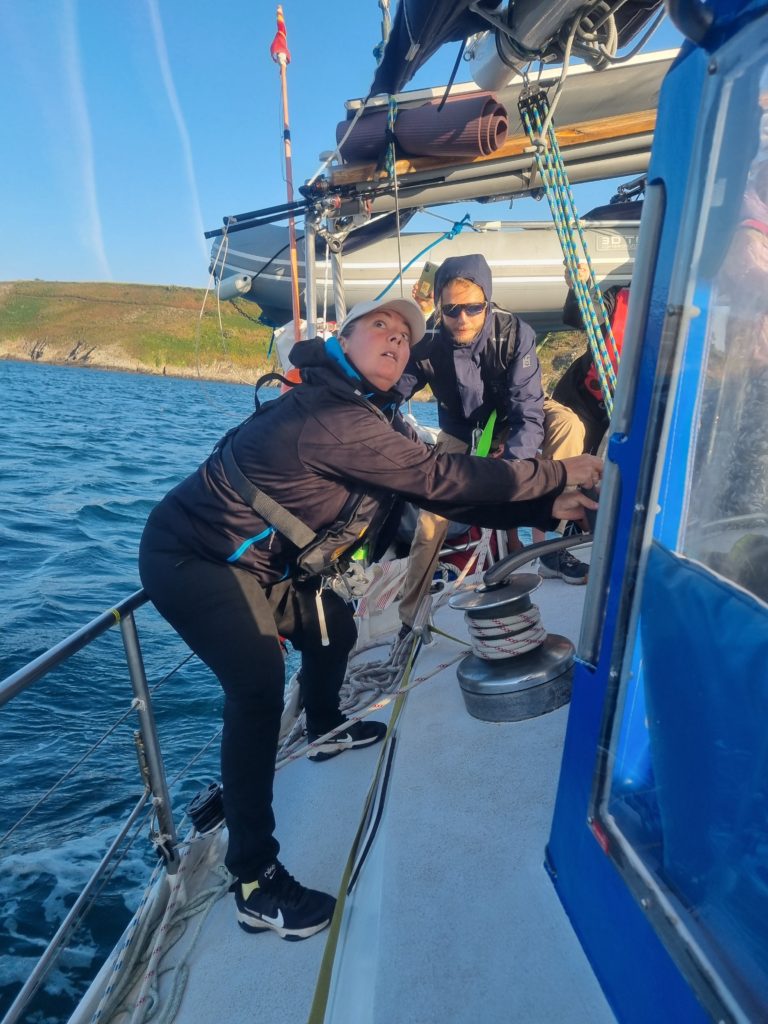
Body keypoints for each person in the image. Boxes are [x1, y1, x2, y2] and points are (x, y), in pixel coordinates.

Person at [139, 296, 601, 942]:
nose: (394, 340)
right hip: (190, 555)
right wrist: (556, 473)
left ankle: (325, 725)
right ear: (343, 340)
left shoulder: (371, 417)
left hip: (261, 565)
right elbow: (443, 476)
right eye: (378, 327)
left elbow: (433, 490)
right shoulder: (329, 415)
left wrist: (552, 507)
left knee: (335, 624)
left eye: (404, 337)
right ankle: (253, 882)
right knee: (257, 684)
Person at [395, 253, 590, 635]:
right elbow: (393, 394)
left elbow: (529, 413)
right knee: (432, 520)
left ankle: (548, 548)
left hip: (515, 413)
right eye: (451, 309)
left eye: (473, 307)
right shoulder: (427, 343)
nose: (462, 317)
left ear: (488, 302)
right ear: (439, 307)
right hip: (463, 430)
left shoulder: (514, 333)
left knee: (567, 424)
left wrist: (512, 476)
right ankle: (410, 614)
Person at [553, 262, 631, 455]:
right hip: (583, 400)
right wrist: (581, 287)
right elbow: (582, 316)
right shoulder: (618, 296)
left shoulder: (685, 317)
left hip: (632, 412)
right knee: (570, 467)